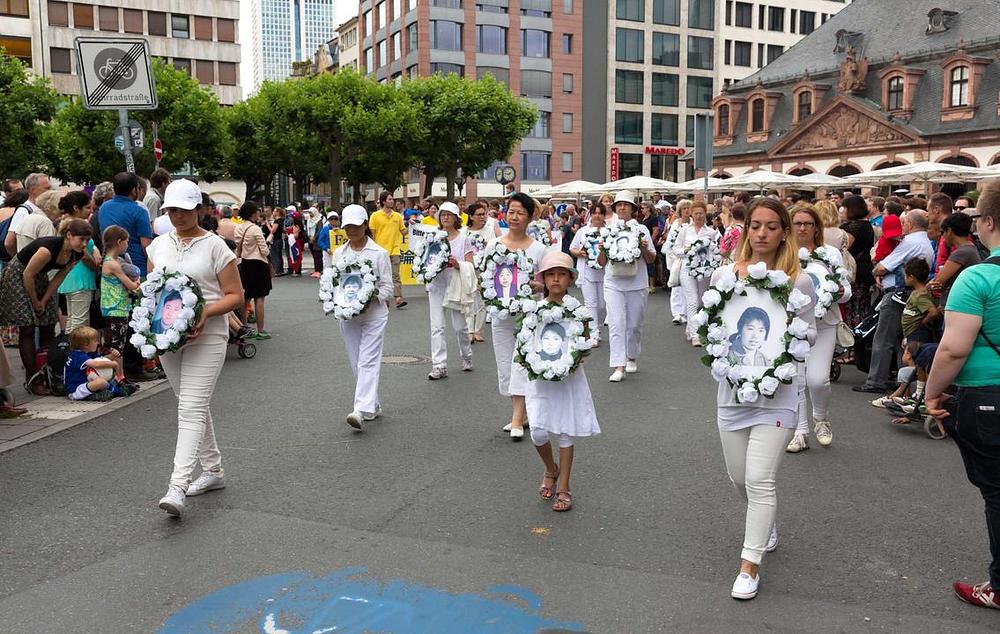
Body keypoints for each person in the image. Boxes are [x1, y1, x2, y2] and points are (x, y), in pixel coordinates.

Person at [709, 197, 816, 601]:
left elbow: (805, 338)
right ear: (746, 229)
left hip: (779, 394)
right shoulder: (725, 276)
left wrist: (783, 363)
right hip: (733, 392)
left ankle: (749, 565)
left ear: (784, 231)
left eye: (772, 226)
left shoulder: (797, 280)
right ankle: (764, 522)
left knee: (759, 479)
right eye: (756, 225)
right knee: (740, 478)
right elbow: (714, 332)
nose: (762, 233)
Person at [925, 178, 1000, 611]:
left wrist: (931, 396)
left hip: (987, 396)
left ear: (987, 221)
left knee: (997, 493)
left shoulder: (977, 278)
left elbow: (954, 347)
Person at [149, 179, 244, 517]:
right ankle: (213, 470)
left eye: (184, 209)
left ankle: (177, 486)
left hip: (209, 334)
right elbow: (153, 292)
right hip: (168, 337)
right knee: (193, 404)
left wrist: (205, 312)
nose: (177, 215)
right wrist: (151, 328)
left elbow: (236, 295)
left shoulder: (217, 246)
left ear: (200, 210)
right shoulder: (158, 245)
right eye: (171, 209)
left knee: (189, 408)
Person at [526, 251, 601, 512]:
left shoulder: (578, 311)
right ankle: (550, 468)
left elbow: (586, 342)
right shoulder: (533, 309)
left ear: (570, 279)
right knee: (537, 429)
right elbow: (525, 341)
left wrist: (574, 359)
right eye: (551, 274)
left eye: (561, 274)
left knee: (566, 430)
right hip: (540, 377)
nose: (556, 279)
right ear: (543, 279)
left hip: (569, 377)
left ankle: (564, 486)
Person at [481, 192, 549, 440]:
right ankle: (522, 412)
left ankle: (517, 418)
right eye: (511, 211)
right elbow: (485, 277)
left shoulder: (540, 249)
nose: (515, 216)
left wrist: (539, 287)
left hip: (528, 318)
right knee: (505, 367)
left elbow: (550, 283)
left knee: (521, 364)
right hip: (500, 316)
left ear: (530, 217)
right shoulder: (494, 246)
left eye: (520, 212)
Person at [788, 204, 851, 453]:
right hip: (793, 325)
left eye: (808, 223)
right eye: (798, 223)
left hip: (824, 324)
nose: (803, 228)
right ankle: (800, 431)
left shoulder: (830, 254)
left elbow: (846, 291)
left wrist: (840, 292)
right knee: (796, 379)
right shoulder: (783, 254)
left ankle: (820, 418)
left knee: (818, 380)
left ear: (817, 228)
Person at [0, 219, 91, 392]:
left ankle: (48, 372)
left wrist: (43, 301)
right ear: (69, 235)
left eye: (87, 240)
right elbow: (27, 274)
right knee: (27, 327)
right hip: (19, 276)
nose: (84, 243)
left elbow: (59, 277)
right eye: (81, 239)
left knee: (48, 323)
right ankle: (32, 378)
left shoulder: (76, 253)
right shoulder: (47, 249)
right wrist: (35, 302)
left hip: (39, 277)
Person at [854, 210, 935, 394]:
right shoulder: (926, 242)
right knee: (901, 342)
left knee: (884, 338)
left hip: (898, 294)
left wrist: (876, 271)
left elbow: (883, 267)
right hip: (912, 293)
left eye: (904, 223)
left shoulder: (910, 242)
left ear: (911, 224)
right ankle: (904, 384)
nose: (902, 227)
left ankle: (876, 381)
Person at [332, 205, 394, 430]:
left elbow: (388, 287)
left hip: (374, 315)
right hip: (348, 317)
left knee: (368, 360)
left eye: (356, 226)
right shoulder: (339, 253)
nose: (351, 230)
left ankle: (360, 409)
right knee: (356, 361)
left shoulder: (379, 253)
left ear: (365, 225)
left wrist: (371, 296)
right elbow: (335, 283)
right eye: (348, 226)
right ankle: (373, 404)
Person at [600, 191, 656, 382]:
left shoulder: (641, 230)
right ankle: (618, 365)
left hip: (637, 282)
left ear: (633, 209)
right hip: (613, 282)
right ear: (615, 208)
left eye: (626, 205)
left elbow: (651, 258)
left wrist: (642, 247)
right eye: (619, 205)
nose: (622, 208)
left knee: (634, 325)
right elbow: (601, 262)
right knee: (616, 324)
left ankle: (631, 356)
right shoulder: (608, 230)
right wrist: (602, 249)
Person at [426, 201, 474, 379]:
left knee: (460, 327)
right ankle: (439, 365)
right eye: (442, 214)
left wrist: (457, 264)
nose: (445, 217)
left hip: (456, 287)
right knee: (437, 327)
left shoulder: (463, 238)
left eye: (449, 214)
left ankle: (466, 356)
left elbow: (471, 265)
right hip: (437, 286)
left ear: (456, 218)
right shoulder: (433, 237)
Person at [674, 200, 720, 347]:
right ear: (691, 215)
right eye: (696, 213)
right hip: (687, 268)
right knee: (692, 299)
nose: (699, 216)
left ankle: (690, 327)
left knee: (700, 301)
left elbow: (714, 251)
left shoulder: (711, 232)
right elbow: (675, 249)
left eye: (701, 213)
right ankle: (696, 334)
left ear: (705, 214)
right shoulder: (685, 230)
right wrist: (686, 250)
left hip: (704, 270)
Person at [56, 191, 100, 333]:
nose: (90, 211)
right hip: (80, 278)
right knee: (80, 322)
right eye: (87, 207)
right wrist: (96, 265)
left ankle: (70, 350)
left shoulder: (66, 224)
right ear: (76, 208)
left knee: (72, 319)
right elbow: (83, 255)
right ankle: (75, 352)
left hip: (71, 277)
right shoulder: (76, 228)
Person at [98, 172, 153, 277]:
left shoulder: (104, 207)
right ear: (134, 190)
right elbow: (146, 246)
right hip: (136, 267)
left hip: (110, 264)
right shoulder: (139, 211)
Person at [234, 201, 273, 340]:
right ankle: (260, 330)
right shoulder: (255, 229)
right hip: (258, 264)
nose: (258, 213)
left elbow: (237, 245)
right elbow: (264, 249)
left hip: (244, 264)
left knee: (245, 299)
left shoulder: (238, 228)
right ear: (252, 213)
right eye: (257, 211)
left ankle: (244, 327)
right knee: (260, 298)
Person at [101, 225, 141, 357]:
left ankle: (119, 374)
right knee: (117, 348)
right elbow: (131, 286)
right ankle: (118, 375)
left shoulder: (114, 260)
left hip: (115, 307)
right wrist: (137, 281)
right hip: (116, 308)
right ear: (119, 242)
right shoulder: (113, 263)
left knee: (118, 346)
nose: (127, 245)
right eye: (127, 241)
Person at [63, 325, 133, 401]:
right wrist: (113, 364)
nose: (98, 343)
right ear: (86, 345)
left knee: (106, 378)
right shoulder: (77, 355)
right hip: (76, 390)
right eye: (95, 341)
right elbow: (96, 364)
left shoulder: (87, 353)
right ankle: (118, 391)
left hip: (87, 384)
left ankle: (104, 391)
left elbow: (101, 359)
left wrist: (112, 356)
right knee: (101, 382)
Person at [927, 212, 982, 308]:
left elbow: (937, 282)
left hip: (957, 306)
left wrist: (930, 286)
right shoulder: (970, 248)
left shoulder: (961, 253)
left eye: (942, 232)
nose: (942, 237)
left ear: (949, 231)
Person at [569, 207, 606, 344]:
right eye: (594, 213)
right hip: (586, 272)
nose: (597, 216)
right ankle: (593, 333)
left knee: (602, 305)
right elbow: (572, 248)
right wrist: (578, 253)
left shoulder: (608, 232)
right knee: (591, 303)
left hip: (604, 272)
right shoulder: (582, 231)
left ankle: (599, 327)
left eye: (600, 213)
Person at [465, 202, 501, 344]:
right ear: (471, 216)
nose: (482, 217)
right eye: (479, 215)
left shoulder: (491, 229)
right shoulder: (465, 232)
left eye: (484, 214)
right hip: (469, 269)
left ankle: (478, 330)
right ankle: (469, 330)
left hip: (486, 269)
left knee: (482, 300)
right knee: (468, 299)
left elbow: (499, 245)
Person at [840, 196, 876, 328]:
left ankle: (853, 336)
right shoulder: (867, 225)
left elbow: (844, 246)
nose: (842, 211)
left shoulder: (855, 228)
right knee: (861, 307)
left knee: (853, 307)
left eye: (845, 208)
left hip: (855, 271)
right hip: (864, 269)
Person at [370, 191, 407, 308]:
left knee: (396, 275)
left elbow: (403, 231)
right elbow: (372, 234)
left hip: (395, 249)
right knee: (381, 276)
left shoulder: (397, 216)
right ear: (383, 201)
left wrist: (412, 225)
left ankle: (398, 298)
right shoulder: (375, 216)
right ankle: (384, 297)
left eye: (392, 199)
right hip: (380, 251)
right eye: (390, 199)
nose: (392, 201)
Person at [4, 173, 52, 258]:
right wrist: (21, 261)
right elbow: (9, 243)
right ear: (33, 190)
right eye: (47, 188)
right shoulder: (24, 211)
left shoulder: (41, 209)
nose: (51, 191)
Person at [664, 200, 691, 325]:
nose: (686, 211)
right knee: (675, 286)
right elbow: (670, 241)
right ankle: (676, 313)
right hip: (675, 258)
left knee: (687, 286)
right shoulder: (675, 223)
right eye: (684, 208)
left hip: (687, 258)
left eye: (688, 208)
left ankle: (685, 312)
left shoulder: (692, 223)